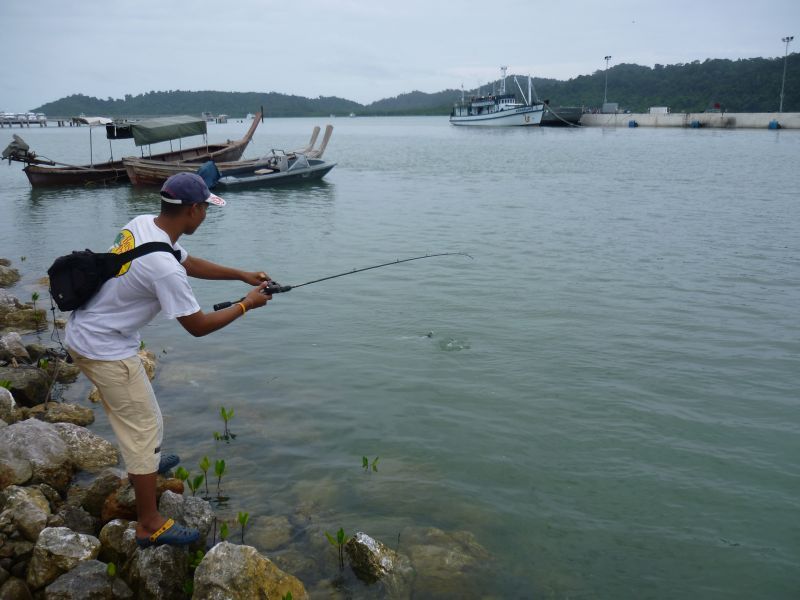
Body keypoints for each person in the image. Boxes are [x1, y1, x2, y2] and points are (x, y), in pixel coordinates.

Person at [66, 172, 271, 547]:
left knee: (143, 418)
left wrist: (239, 275)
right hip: (104, 348)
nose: (207, 214)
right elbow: (198, 326)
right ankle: (149, 523)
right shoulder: (164, 268)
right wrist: (247, 304)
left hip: (87, 331)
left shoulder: (144, 225)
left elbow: (185, 261)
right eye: (205, 208)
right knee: (143, 428)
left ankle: (145, 466)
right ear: (192, 210)